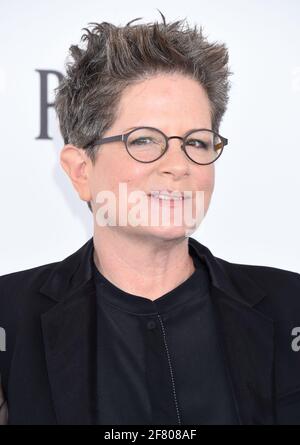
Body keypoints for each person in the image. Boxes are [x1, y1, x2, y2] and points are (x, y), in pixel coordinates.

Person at [1, 11, 300, 426]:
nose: (179, 165)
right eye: (144, 140)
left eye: (196, 141)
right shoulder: (8, 316)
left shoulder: (292, 306)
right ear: (81, 171)